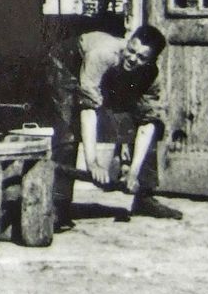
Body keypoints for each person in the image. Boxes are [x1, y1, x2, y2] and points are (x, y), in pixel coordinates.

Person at [43, 23, 182, 229]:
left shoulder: (152, 75)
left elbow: (148, 122)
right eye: (131, 50)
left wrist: (133, 172)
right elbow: (88, 109)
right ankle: (58, 204)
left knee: (148, 120)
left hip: (105, 73)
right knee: (68, 129)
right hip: (66, 65)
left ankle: (144, 196)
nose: (132, 58)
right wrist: (93, 163)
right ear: (128, 41)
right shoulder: (103, 54)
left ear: (151, 61)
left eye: (141, 58)